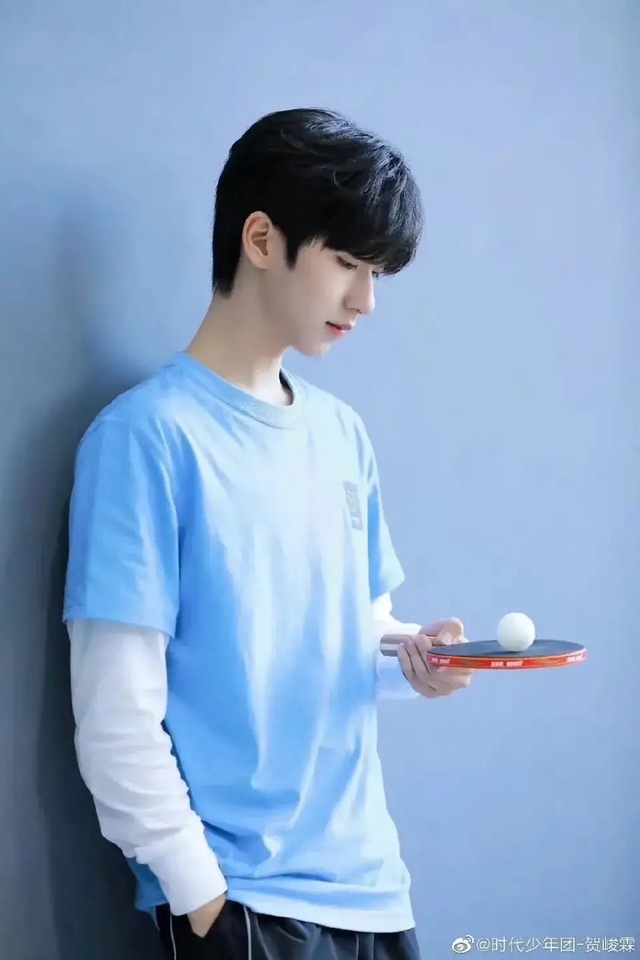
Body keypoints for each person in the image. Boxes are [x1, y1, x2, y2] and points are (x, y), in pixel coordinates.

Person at [63, 108, 473, 960]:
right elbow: (115, 715)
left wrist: (412, 659)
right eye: (348, 262)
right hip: (247, 907)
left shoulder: (342, 434)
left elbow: (348, 633)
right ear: (260, 238)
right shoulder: (145, 439)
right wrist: (202, 903)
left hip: (376, 890)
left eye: (377, 272)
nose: (365, 300)